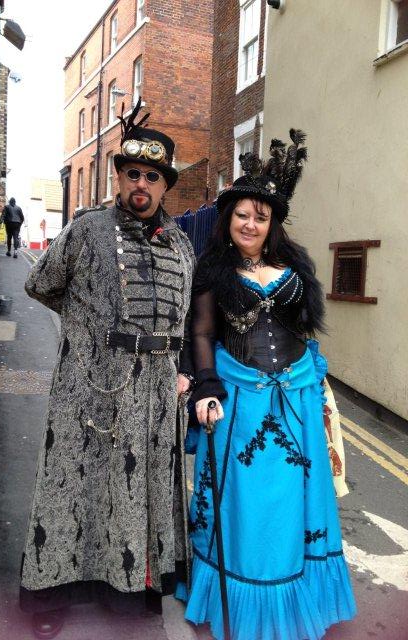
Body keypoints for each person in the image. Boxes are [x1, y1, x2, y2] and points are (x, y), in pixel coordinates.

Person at [19, 98, 195, 639]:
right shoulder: (87, 229)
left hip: (159, 391)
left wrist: (179, 369)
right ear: (119, 178)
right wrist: (90, 334)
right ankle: (51, 592)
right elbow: (40, 284)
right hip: (92, 387)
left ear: (165, 186)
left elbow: (183, 316)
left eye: (152, 176)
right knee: (73, 485)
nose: (141, 183)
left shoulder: (184, 245)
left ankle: (133, 590)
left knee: (141, 489)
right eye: (133, 173)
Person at [180, 131, 356, 639]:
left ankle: (298, 599)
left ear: (271, 222)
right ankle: (243, 600)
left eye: (260, 215)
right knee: (247, 504)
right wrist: (205, 386)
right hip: (241, 399)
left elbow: (303, 326)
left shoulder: (296, 264)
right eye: (242, 214)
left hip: (297, 396)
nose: (250, 223)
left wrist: (314, 383)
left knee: (296, 503)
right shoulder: (212, 269)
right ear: (227, 217)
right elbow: (202, 332)